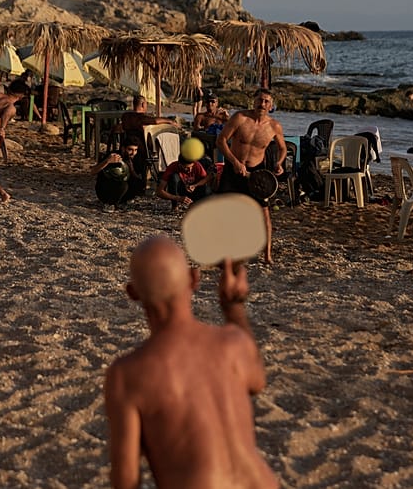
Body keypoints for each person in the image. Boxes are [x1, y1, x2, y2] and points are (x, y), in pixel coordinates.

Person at [105, 235, 278, 489]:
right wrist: (233, 307)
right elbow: (257, 378)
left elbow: (126, 479)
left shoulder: (128, 375)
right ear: (194, 280)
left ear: (132, 293)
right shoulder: (233, 343)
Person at [217, 88, 285, 264]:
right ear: (254, 101)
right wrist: (234, 162)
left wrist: (279, 163)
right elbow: (221, 140)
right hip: (233, 170)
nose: (262, 104)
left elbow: (282, 148)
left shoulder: (274, 127)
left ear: (271, 106)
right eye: (259, 100)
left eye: (266, 102)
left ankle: (267, 255)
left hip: (257, 174)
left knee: (264, 214)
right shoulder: (240, 118)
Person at [90, 135, 145, 211]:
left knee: (139, 183)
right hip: (105, 189)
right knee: (123, 185)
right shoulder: (113, 155)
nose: (133, 153)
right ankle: (110, 204)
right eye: (130, 150)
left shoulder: (134, 158)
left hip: (124, 189)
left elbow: (135, 176)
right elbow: (93, 171)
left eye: (135, 150)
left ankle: (122, 201)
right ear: (123, 148)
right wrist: (107, 161)